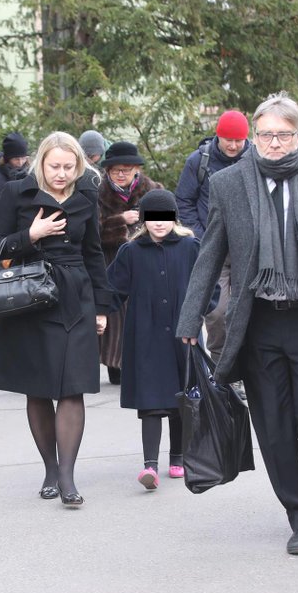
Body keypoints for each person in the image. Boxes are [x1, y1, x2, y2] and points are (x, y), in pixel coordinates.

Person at [176, 92, 298, 556]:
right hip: (259, 322)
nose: (272, 143)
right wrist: (191, 317)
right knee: (275, 427)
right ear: (253, 136)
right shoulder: (230, 184)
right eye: (264, 135)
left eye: (282, 135)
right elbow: (212, 252)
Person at [0, 131, 112, 507]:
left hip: (76, 296)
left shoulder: (86, 197)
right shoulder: (15, 193)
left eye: (68, 167)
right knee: (38, 388)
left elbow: (94, 254)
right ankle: (50, 470)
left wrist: (103, 307)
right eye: (54, 166)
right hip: (31, 296)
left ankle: (69, 478)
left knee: (73, 386)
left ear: (79, 166)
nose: (61, 174)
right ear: (40, 163)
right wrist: (31, 234)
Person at [107, 189, 218, 489]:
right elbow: (112, 289)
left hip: (184, 336)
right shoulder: (130, 252)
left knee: (181, 398)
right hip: (145, 336)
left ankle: (179, 457)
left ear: (174, 218)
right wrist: (98, 312)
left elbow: (208, 283)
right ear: (143, 219)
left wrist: (200, 315)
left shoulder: (190, 246)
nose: (159, 223)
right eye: (152, 218)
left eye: (165, 217)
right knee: (151, 401)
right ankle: (150, 466)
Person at [175, 110, 251, 368]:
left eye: (238, 140)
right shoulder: (199, 161)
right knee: (217, 314)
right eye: (227, 139)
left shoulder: (256, 159)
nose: (232, 145)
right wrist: (201, 235)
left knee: (247, 311)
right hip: (213, 248)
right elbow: (183, 201)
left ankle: (247, 367)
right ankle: (222, 369)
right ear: (218, 136)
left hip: (248, 250)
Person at [97, 141, 162, 385]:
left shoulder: (153, 191)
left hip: (148, 265)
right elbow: (90, 234)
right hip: (111, 264)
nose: (121, 174)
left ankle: (147, 364)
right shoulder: (97, 195)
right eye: (115, 170)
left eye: (126, 168)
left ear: (136, 168)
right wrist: (119, 221)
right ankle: (117, 365)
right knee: (116, 318)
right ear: (107, 172)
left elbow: (169, 228)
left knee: (147, 315)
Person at [0, 132, 30, 231]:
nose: (20, 163)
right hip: (5, 237)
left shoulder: (30, 175)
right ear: (8, 158)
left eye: (23, 158)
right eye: (16, 159)